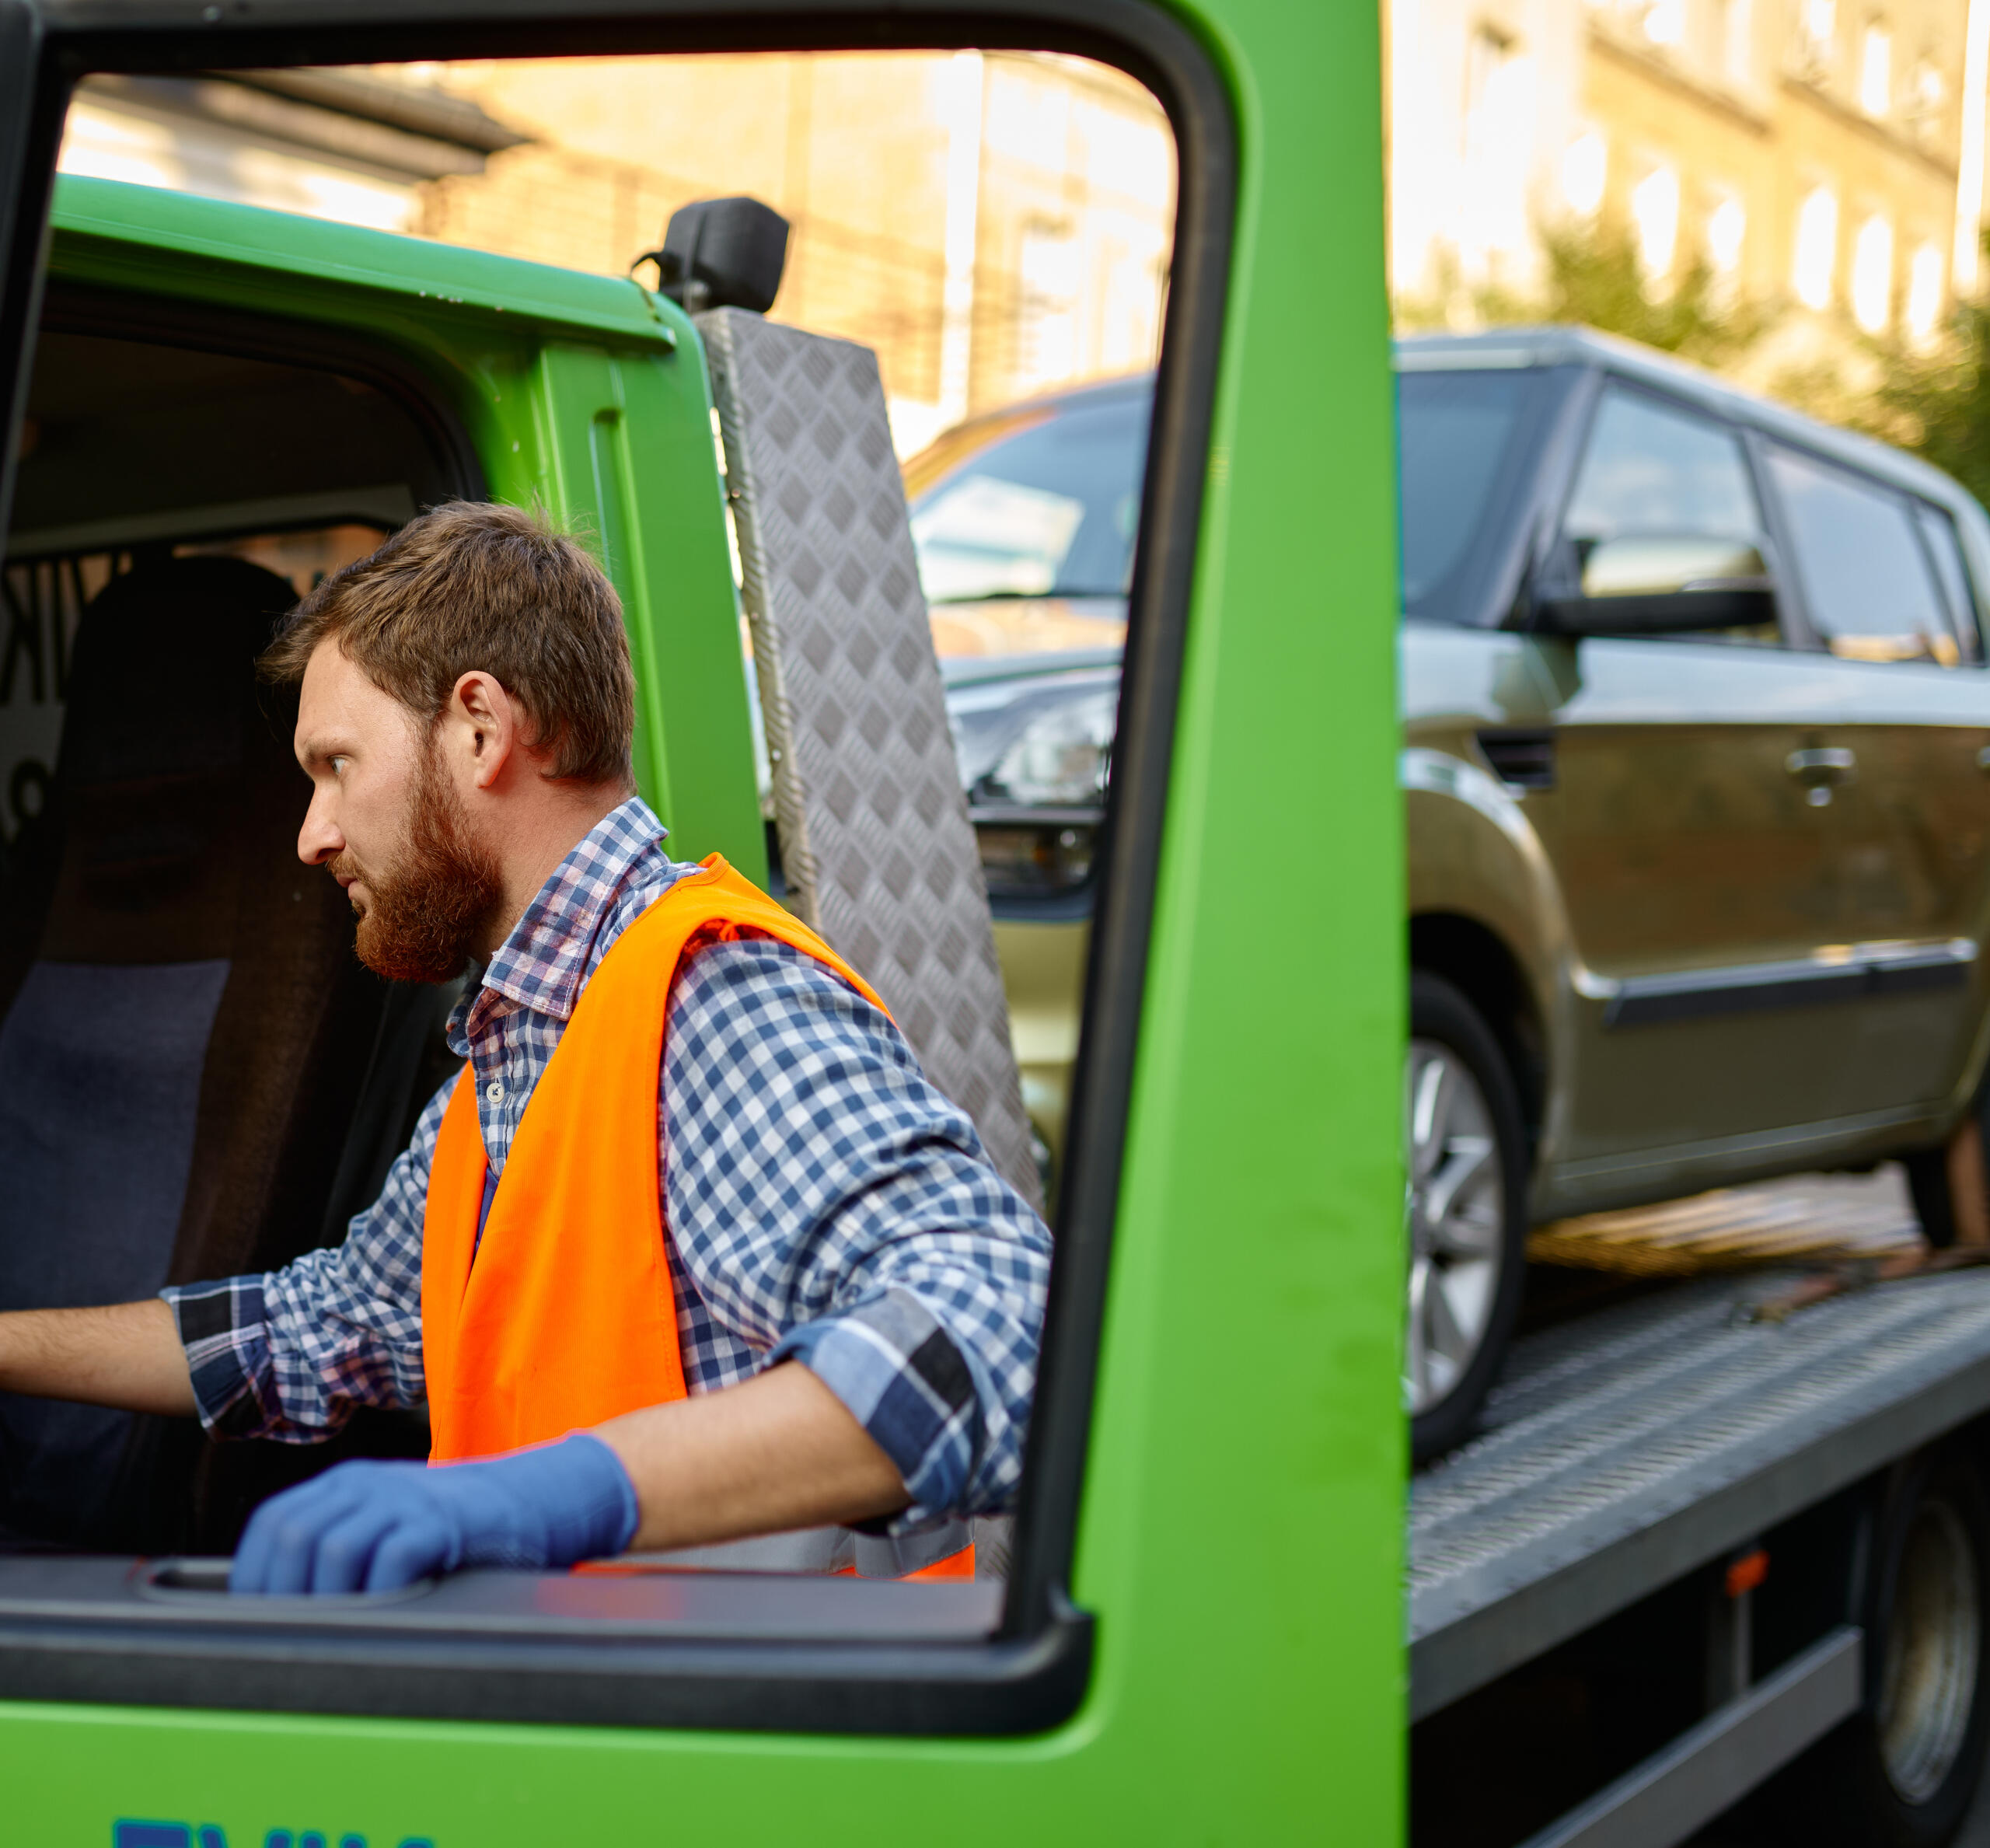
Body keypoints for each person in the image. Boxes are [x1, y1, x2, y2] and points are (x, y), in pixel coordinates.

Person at [0, 501, 1051, 1595]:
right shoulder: (512, 1059)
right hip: (576, 1709)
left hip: (742, 1739)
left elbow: (1001, 1318)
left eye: (336, 765)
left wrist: (543, 1498)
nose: (311, 834)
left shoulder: (711, 997)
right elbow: (328, 1323)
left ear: (481, 729)